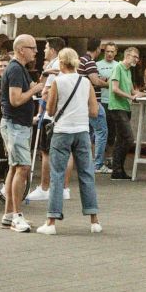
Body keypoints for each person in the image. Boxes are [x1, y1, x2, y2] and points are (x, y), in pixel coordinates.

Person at [39, 47, 101, 234]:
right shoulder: (86, 82)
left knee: (57, 175)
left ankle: (51, 222)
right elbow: (94, 111)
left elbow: (49, 111)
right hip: (82, 131)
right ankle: (94, 220)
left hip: (62, 131)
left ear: (60, 62)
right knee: (86, 174)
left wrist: (48, 97)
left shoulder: (57, 81)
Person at [0, 34, 46, 233]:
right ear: (21, 49)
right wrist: (36, 89)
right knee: (22, 168)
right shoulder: (16, 69)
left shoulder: (17, 69)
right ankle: (16, 216)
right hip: (16, 124)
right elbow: (15, 99)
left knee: (15, 167)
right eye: (32, 48)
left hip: (17, 124)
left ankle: (9, 214)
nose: (36, 51)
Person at [105, 46, 137, 179]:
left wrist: (144, 94)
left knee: (121, 139)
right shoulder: (118, 67)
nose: (137, 59)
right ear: (127, 56)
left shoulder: (128, 71)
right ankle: (116, 167)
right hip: (117, 107)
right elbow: (115, 89)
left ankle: (117, 170)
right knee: (128, 139)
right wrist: (131, 97)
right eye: (134, 56)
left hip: (125, 107)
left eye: (137, 57)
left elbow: (132, 91)